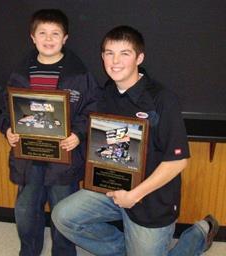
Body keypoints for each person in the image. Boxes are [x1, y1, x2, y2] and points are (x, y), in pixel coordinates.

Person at [51, 26, 219, 256]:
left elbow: (178, 162)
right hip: (111, 188)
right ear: (102, 57)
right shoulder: (107, 93)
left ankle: (198, 234)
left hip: (150, 200)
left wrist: (134, 195)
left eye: (125, 53)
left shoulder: (162, 99)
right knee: (63, 216)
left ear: (139, 57)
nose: (115, 61)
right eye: (109, 53)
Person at [0, 9, 101, 256]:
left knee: (62, 212)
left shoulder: (80, 75)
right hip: (28, 158)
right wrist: (8, 129)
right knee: (25, 211)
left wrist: (78, 134)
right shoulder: (19, 74)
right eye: (42, 32)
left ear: (65, 38)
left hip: (63, 160)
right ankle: (29, 250)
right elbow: (5, 112)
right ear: (33, 37)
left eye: (55, 33)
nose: (49, 38)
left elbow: (93, 111)